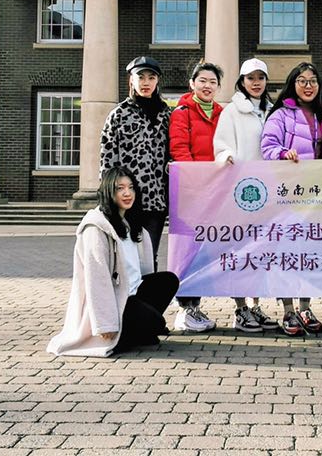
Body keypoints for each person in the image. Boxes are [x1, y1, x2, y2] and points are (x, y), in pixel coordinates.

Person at [47, 166, 179, 357]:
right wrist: (105, 323)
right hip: (116, 300)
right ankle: (122, 334)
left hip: (133, 294)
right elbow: (96, 278)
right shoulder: (96, 228)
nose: (127, 193)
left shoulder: (132, 225)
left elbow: (144, 271)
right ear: (109, 191)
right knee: (156, 323)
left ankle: (135, 331)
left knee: (167, 281)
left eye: (131, 187)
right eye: (120, 188)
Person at [260, 60, 322, 336]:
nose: (308, 86)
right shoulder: (280, 115)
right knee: (286, 255)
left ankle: (305, 308)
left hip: (317, 198)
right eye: (302, 81)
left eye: (313, 81)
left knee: (310, 255)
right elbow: (267, 146)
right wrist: (283, 153)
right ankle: (288, 311)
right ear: (293, 84)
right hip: (288, 196)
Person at [213, 56, 277, 333]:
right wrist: (227, 156)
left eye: (260, 78)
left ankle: (255, 305)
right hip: (242, 192)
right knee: (239, 252)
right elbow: (221, 145)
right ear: (242, 81)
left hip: (269, 192)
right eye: (251, 78)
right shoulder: (232, 111)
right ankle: (240, 309)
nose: (256, 83)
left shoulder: (272, 111)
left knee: (259, 252)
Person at [169, 60, 225, 334]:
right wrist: (197, 182)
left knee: (205, 251)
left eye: (213, 82)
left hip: (216, 193)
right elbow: (179, 149)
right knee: (187, 251)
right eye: (202, 80)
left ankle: (195, 307)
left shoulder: (222, 114)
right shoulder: (182, 112)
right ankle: (184, 308)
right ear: (192, 83)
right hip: (191, 192)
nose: (207, 86)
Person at [99, 56, 171, 267]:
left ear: (157, 81)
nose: (146, 82)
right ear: (131, 80)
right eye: (141, 77)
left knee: (150, 258)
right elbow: (107, 159)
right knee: (126, 258)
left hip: (157, 201)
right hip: (127, 200)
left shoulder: (167, 115)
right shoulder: (118, 115)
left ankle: (148, 291)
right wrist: (109, 197)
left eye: (151, 77)